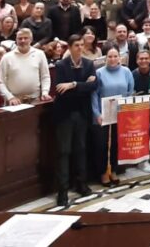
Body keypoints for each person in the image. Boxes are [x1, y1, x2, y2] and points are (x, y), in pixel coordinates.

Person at [50, 35, 98, 205]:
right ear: (69, 47)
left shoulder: (88, 63)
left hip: (82, 114)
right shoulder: (61, 65)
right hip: (65, 114)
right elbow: (60, 90)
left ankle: (81, 184)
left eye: (82, 45)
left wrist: (73, 85)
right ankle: (62, 191)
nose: (80, 47)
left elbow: (93, 86)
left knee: (81, 149)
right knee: (64, 152)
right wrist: (82, 85)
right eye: (76, 45)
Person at [92, 48, 134, 186]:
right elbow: (94, 95)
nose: (113, 59)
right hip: (103, 114)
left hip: (120, 113)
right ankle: (103, 172)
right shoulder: (99, 73)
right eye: (110, 56)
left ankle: (114, 170)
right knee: (102, 144)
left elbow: (130, 91)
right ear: (105, 58)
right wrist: (97, 113)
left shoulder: (126, 72)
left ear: (120, 58)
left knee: (116, 143)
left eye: (115, 56)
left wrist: (127, 108)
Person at [0, 29, 51, 105]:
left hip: (35, 100)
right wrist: (10, 97)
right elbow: (0, 81)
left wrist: (45, 92)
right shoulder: (6, 57)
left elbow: (45, 76)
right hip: (14, 102)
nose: (23, 41)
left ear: (31, 39)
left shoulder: (40, 54)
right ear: (16, 40)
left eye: (26, 38)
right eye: (20, 38)